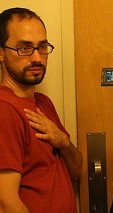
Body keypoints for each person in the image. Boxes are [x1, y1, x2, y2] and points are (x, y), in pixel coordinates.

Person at [0, 8, 82, 213]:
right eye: (24, 48)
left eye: (42, 47)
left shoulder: (42, 103)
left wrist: (63, 142)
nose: (37, 58)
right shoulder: (5, 109)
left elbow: (76, 170)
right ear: (1, 53)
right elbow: (7, 204)